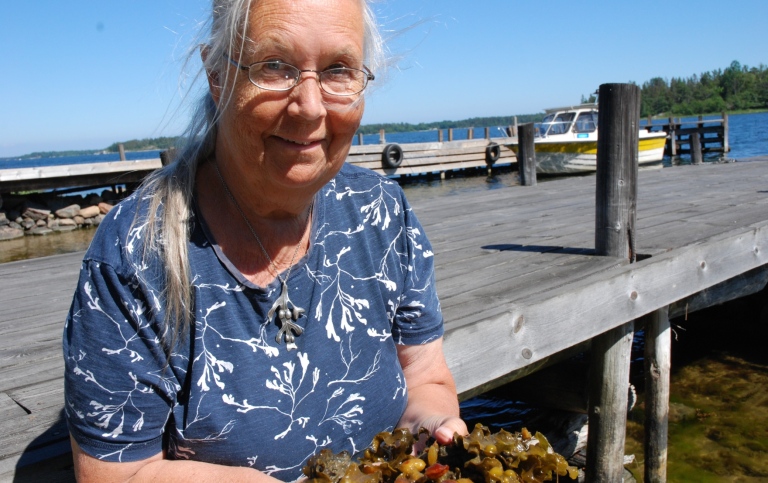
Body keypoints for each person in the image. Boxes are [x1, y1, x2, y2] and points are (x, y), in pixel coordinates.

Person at [62, 0, 467, 481]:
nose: (310, 106)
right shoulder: (135, 257)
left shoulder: (382, 213)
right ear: (217, 76)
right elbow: (116, 475)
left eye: (339, 70)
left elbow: (426, 378)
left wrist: (431, 424)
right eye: (275, 66)